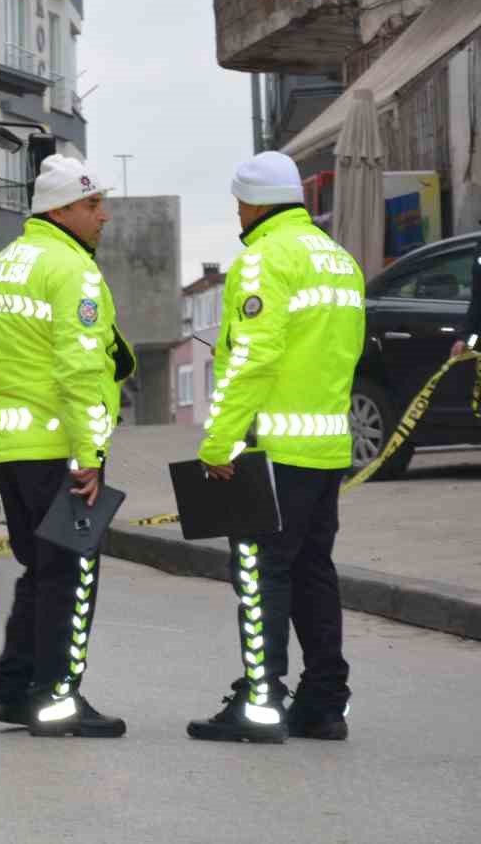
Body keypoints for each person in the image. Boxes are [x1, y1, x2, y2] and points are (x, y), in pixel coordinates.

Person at [188, 152, 364, 743]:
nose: (238, 212)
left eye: (240, 202)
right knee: (315, 570)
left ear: (258, 202)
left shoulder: (263, 260)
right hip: (327, 448)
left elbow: (251, 360)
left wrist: (219, 441)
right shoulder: (340, 261)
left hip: (275, 451)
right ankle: (324, 702)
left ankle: (262, 703)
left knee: (262, 574)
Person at [0, 154, 134, 738]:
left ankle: (11, 688)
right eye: (91, 205)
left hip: (8, 450)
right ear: (59, 210)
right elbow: (83, 368)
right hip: (59, 449)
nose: (102, 216)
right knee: (71, 573)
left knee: (40, 570)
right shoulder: (74, 273)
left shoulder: (2, 266)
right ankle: (57, 697)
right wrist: (90, 455)